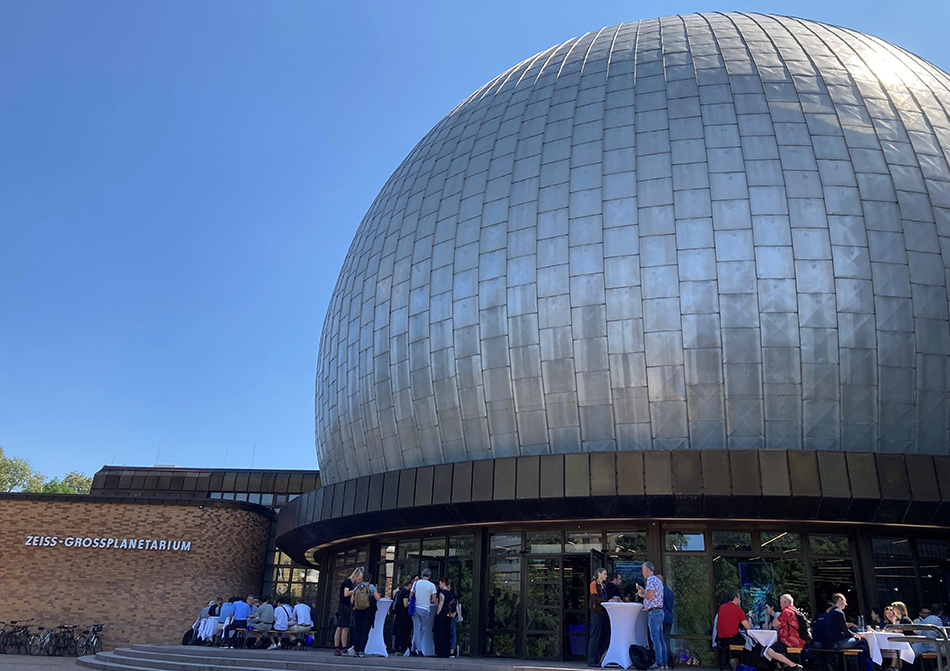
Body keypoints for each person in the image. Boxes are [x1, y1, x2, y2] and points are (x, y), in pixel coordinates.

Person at [638, 561, 668, 671]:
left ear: (646, 569)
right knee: (661, 639)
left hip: (653, 612)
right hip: (660, 611)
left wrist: (642, 594)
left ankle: (658, 663)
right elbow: (654, 594)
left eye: (643, 570)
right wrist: (644, 590)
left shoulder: (650, 580)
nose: (642, 573)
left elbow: (650, 595)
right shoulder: (658, 580)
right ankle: (664, 663)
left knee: (655, 639)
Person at [760, 597, 803, 670]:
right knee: (778, 649)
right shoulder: (795, 610)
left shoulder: (786, 611)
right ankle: (785, 667)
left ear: (785, 602)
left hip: (789, 640)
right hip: (798, 640)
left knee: (770, 651)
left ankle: (794, 666)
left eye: (780, 602)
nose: (780, 605)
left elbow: (775, 624)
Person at [716, 590, 751, 669]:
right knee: (749, 644)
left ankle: (735, 660)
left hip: (721, 639)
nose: (740, 601)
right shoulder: (738, 610)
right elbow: (748, 627)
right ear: (735, 598)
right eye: (739, 598)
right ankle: (743, 664)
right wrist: (750, 617)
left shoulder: (722, 607)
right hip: (732, 638)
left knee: (739, 641)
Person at [351, 572, 380, 658]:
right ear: (369, 579)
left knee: (357, 630)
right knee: (365, 631)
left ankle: (356, 650)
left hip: (357, 611)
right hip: (367, 611)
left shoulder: (357, 587)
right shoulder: (371, 587)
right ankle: (361, 651)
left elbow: (352, 600)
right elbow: (377, 598)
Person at [334, 566, 362, 655]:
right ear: (356, 576)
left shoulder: (348, 582)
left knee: (339, 627)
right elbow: (346, 594)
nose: (360, 580)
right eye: (359, 578)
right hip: (345, 607)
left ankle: (337, 647)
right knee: (345, 627)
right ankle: (344, 647)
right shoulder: (348, 582)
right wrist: (355, 590)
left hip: (342, 606)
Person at [411, 568, 437, 656]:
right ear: (429, 576)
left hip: (416, 608)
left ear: (422, 575)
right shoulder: (432, 585)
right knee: (422, 630)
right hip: (425, 609)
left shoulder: (416, 583)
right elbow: (434, 599)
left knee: (416, 629)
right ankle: (418, 649)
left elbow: (411, 595)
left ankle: (414, 648)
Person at [588, 567, 608, 667]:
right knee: (595, 636)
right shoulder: (594, 584)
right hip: (596, 612)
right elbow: (594, 597)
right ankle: (592, 659)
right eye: (604, 574)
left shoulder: (603, 585)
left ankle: (598, 658)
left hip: (602, 612)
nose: (606, 576)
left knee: (600, 636)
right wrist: (605, 602)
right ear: (599, 574)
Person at [434, 576, 457, 657]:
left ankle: (440, 650)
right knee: (448, 633)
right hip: (450, 614)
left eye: (440, 583)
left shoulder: (442, 593)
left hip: (443, 614)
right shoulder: (452, 593)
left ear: (443, 583)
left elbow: (441, 604)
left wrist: (437, 613)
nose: (439, 585)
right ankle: (448, 651)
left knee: (441, 633)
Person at [657, 573, 676, 669]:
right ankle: (668, 660)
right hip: (669, 617)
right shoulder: (669, 591)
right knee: (666, 639)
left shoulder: (658, 591)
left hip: (661, 617)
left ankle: (660, 661)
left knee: (658, 640)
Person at [391, 577, 413, 654]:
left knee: (399, 632)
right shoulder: (406, 592)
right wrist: (412, 602)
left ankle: (397, 648)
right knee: (405, 632)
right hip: (404, 615)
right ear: (409, 585)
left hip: (398, 614)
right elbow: (405, 604)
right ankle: (405, 648)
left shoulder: (399, 591)